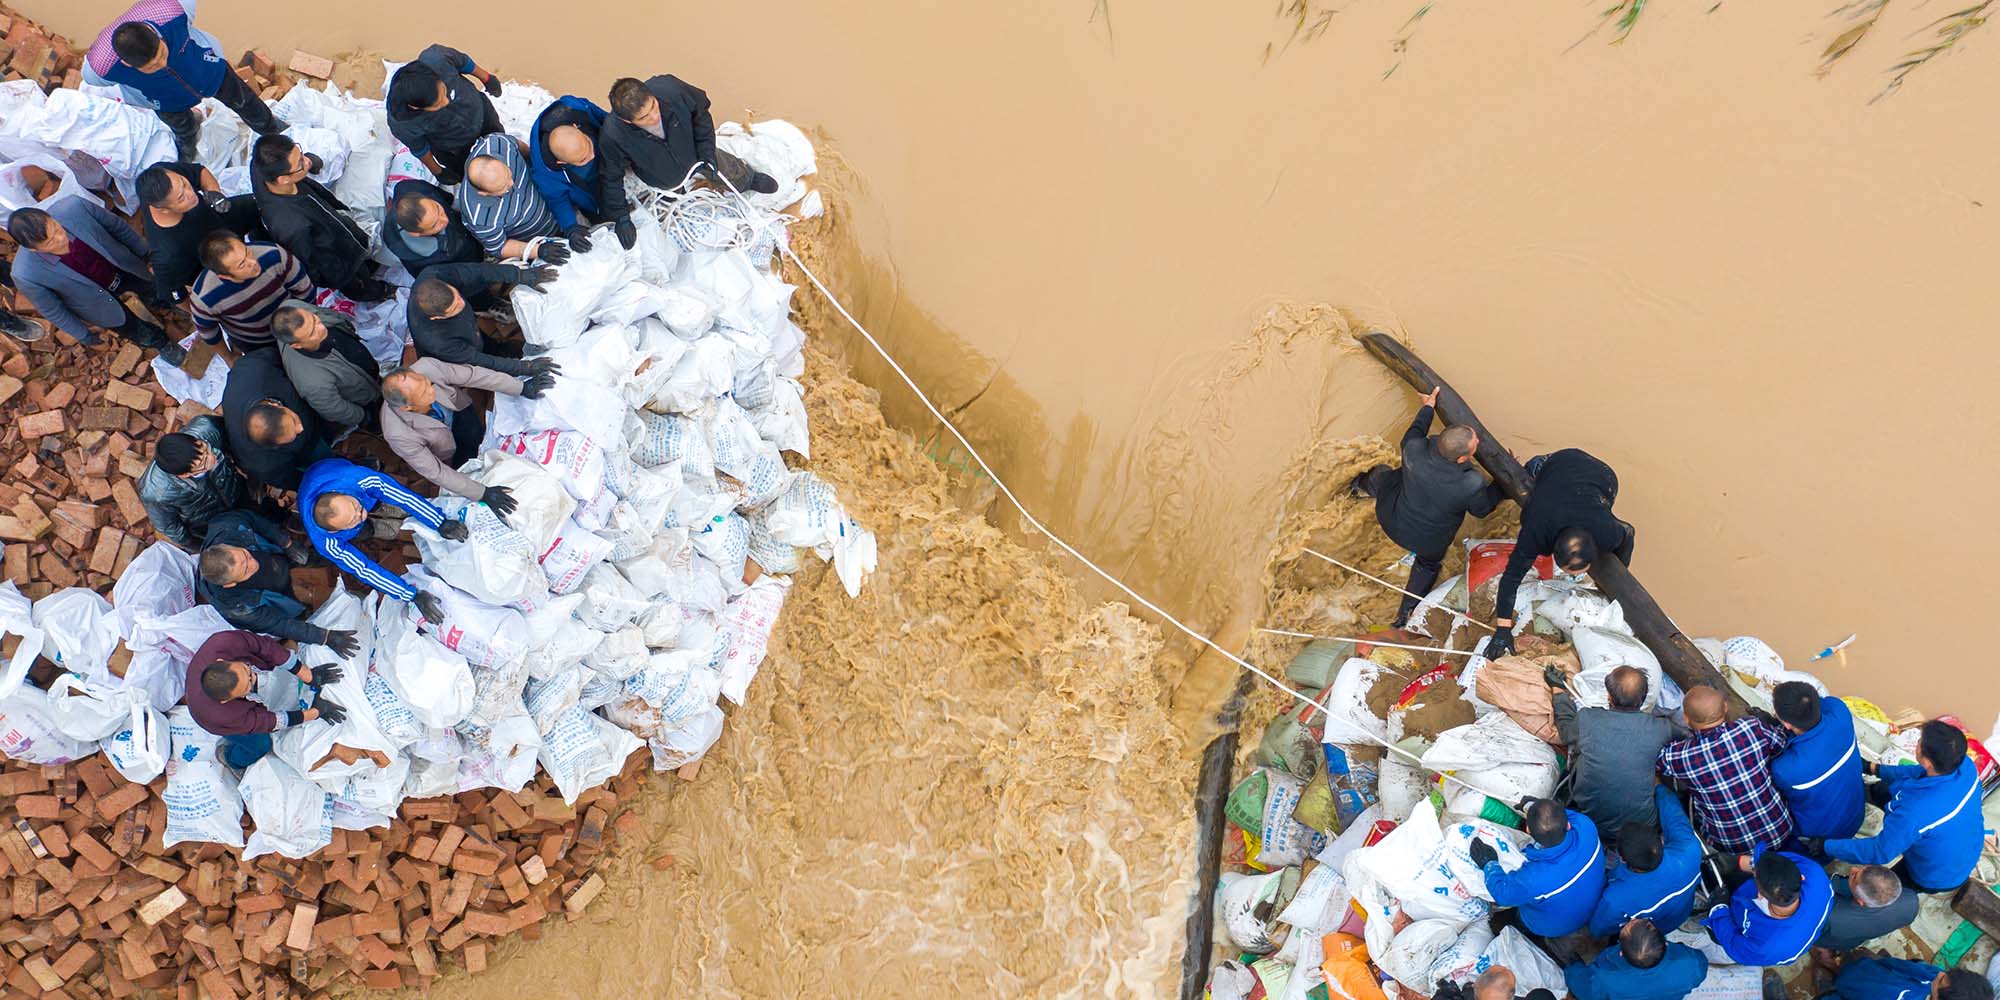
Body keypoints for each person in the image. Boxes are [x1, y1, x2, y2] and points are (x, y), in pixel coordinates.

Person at [1347, 388, 1504, 627]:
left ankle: (1355, 486)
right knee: (1428, 565)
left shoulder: (1413, 449)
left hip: (1390, 517)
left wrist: (1428, 407)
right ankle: (1405, 615)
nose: (1479, 442)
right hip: (1425, 543)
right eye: (1476, 443)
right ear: (1462, 459)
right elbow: (1482, 509)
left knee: (1382, 476)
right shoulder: (1470, 483)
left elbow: (1415, 431)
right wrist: (1501, 484)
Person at [82, 0, 287, 163]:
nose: (162, 65)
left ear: (156, 33)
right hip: (162, 97)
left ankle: (270, 128)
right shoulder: (100, 68)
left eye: (163, 53)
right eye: (151, 67)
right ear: (127, 64)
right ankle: (188, 140)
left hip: (205, 70)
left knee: (244, 102)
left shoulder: (173, 9)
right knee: (181, 126)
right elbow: (90, 78)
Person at [1480, 449, 1632, 660]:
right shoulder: (1536, 530)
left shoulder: (1606, 533)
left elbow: (1629, 532)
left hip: (1603, 477)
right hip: (1563, 461)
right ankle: (1535, 463)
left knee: (1597, 502)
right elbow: (1510, 579)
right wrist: (1503, 629)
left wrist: (1622, 569)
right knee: (1534, 469)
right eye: (1570, 572)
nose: (1570, 577)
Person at [600, 74, 779, 249]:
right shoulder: (613, 136)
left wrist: (706, 151)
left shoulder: (671, 89)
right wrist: (621, 218)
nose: (654, 117)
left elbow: (701, 112)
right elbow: (611, 178)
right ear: (626, 120)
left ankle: (748, 179)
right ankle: (676, 197)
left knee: (722, 165)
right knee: (671, 192)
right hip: (660, 174)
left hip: (693, 151)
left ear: (651, 94)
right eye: (644, 118)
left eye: (653, 106)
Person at [5, 203, 184, 363]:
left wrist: (145, 253)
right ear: (33, 249)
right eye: (50, 242)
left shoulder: (75, 207)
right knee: (132, 328)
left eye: (57, 229)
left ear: (50, 217)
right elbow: (53, 310)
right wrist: (83, 334)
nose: (60, 239)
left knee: (150, 288)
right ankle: (161, 343)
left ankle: (166, 303)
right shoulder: (26, 274)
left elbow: (118, 227)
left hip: (122, 267)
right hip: (95, 303)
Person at [1823, 720, 1984, 893]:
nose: (1917, 743)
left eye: (1920, 742)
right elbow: (1917, 772)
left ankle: (1846, 897)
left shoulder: (1914, 813)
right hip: (1961, 844)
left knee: (1877, 889)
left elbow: (1880, 851)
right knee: (1882, 789)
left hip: (1936, 873)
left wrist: (1826, 845)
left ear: (1928, 761)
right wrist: (1872, 768)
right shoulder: (1964, 766)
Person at [297, 458, 467, 616]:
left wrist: (440, 522)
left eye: (355, 505)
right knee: (374, 530)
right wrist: (411, 595)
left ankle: (380, 506)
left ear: (339, 492)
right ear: (336, 532)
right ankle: (376, 525)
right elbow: (363, 569)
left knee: (394, 504)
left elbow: (403, 496)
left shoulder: (357, 478)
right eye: (352, 519)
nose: (360, 514)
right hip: (322, 493)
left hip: (331, 468)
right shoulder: (326, 543)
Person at [380, 360, 548, 506]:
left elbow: (473, 375)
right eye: (423, 393)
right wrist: (483, 493)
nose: (431, 390)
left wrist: (520, 387)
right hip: (444, 447)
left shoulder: (427, 367)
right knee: (465, 464)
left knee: (475, 434)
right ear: (407, 407)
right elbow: (436, 471)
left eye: (427, 383)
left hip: (458, 412)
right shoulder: (397, 433)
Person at [195, 510, 360, 653]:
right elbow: (279, 624)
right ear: (229, 584)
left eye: (246, 556)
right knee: (305, 611)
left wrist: (286, 543)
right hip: (278, 595)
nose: (254, 564)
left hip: (278, 556)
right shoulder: (235, 607)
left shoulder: (229, 525)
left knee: (314, 558)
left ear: (228, 545)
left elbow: (256, 521)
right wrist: (325, 637)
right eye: (246, 571)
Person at [1656, 685, 1794, 855]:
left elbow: (1659, 762)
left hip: (1730, 846)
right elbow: (1780, 744)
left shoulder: (1679, 757)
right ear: (1726, 707)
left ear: (1686, 719)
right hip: (1780, 829)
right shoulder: (1752, 727)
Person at [251, 135, 390, 302]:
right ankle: (377, 292)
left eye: (300, 154)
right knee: (358, 282)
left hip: (335, 225)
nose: (306, 162)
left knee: (363, 254)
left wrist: (309, 161)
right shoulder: (292, 226)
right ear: (283, 179)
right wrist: (337, 276)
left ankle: (368, 263)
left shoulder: (262, 166)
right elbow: (311, 263)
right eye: (300, 163)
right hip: (338, 262)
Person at [1554, 665, 1686, 838]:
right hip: (1643, 828)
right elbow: (1686, 736)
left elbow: (1565, 731)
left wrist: (1558, 691)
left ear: (1609, 696)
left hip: (1591, 822)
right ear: (1644, 697)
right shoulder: (1660, 728)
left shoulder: (1588, 718)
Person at [185, 629, 345, 769]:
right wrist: (316, 712)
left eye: (246, 669)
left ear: (223, 661)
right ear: (227, 700)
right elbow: (272, 721)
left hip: (209, 685)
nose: (254, 676)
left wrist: (307, 674)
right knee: (261, 744)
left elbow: (264, 647)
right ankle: (229, 758)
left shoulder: (223, 642)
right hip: (208, 716)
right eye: (248, 685)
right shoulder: (223, 715)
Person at [1472, 799, 1606, 938]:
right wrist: (1532, 806)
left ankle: (1526, 932)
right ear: (1567, 825)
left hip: (1556, 926)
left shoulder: (1534, 877)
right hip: (1595, 902)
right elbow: (1562, 816)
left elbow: (1502, 894)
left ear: (1528, 830)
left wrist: (1489, 864)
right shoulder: (1586, 826)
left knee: (1521, 907)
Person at [136, 161, 264, 304]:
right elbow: (176, 296)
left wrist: (214, 193)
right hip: (215, 263)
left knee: (263, 205)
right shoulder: (167, 255)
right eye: (181, 198)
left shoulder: (163, 175)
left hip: (219, 215)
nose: (191, 194)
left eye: (184, 183)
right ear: (164, 209)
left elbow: (199, 172)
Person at [1588, 784, 1704, 938]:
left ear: (1622, 859)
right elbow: (1673, 813)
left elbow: (1598, 929)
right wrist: (1660, 788)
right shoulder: (1690, 849)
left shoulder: (1616, 899)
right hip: (1680, 914)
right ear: (1661, 842)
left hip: (1649, 934)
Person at [407, 262, 560, 377]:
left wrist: (519, 275)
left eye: (458, 297)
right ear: (436, 317)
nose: (461, 305)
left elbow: (478, 271)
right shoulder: (438, 342)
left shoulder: (434, 274)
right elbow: (477, 360)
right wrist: (524, 368)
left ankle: (497, 348)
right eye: (454, 309)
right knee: (480, 356)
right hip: (453, 359)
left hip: (467, 330)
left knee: (480, 337)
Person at [385, 44, 506, 185]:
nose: (447, 101)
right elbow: (420, 148)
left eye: (445, 91)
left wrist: (487, 78)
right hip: (455, 147)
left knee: (500, 144)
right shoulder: (403, 123)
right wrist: (438, 171)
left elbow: (464, 62)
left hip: (481, 112)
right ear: (416, 107)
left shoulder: (437, 59)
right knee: (475, 176)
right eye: (437, 104)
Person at [219, 350, 330, 491]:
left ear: (274, 404)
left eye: (294, 420)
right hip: (310, 448)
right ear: (274, 447)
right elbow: (297, 481)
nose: (300, 429)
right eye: (292, 438)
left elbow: (281, 355)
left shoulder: (253, 370)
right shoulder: (263, 464)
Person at [1770, 680, 1867, 841]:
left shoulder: (1786, 768)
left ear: (1786, 724)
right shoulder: (1839, 711)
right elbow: (1824, 703)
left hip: (1818, 839)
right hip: (1854, 818)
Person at [189, 230, 313, 354]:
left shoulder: (274, 254)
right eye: (242, 265)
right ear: (226, 276)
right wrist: (229, 358)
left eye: (247, 252)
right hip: (257, 344)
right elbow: (209, 334)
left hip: (295, 325)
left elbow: (304, 290)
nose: (253, 262)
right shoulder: (204, 298)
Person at [1703, 848, 1833, 966]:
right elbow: (1775, 863)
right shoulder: (1814, 875)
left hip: (1738, 927)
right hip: (1750, 902)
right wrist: (1736, 862)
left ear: (1760, 895)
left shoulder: (1766, 948)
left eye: (1755, 874)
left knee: (1717, 930)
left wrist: (1719, 907)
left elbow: (1731, 941)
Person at [137, 415, 249, 550]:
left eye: (205, 449)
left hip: (235, 488)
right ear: (184, 475)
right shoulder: (155, 494)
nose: (212, 458)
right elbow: (170, 527)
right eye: (202, 464)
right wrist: (201, 546)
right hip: (210, 520)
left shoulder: (207, 427)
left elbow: (236, 439)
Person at [271, 301, 383, 433]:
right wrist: (364, 417)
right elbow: (335, 409)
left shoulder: (291, 307)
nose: (321, 328)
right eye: (312, 333)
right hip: (366, 398)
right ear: (297, 346)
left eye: (314, 319)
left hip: (362, 365)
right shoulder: (312, 382)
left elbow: (325, 313)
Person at [455, 133, 568, 263]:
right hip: (537, 240)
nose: (511, 184)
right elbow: (499, 247)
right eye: (502, 188)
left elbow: (520, 146)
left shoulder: (498, 144)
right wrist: (538, 250)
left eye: (508, 174)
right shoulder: (480, 218)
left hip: (556, 209)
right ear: (484, 193)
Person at [530, 95, 610, 247]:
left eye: (588, 144)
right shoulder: (546, 175)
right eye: (583, 159)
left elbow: (604, 118)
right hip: (584, 183)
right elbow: (558, 200)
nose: (592, 156)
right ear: (562, 162)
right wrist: (571, 227)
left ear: (575, 127)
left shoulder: (575, 107)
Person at [1564, 918, 1707, 1000]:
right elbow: (1700, 963)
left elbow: (1579, 984)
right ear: (1664, 943)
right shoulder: (1691, 964)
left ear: (1620, 953)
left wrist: (1574, 966)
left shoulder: (1604, 980)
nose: (1633, 919)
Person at [380, 179, 485, 277]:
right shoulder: (430, 261)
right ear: (417, 234)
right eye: (435, 224)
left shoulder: (409, 187)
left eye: (437, 208)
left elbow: (444, 197)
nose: (445, 220)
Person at [1817, 865, 1920, 953]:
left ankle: (1824, 951)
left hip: (1833, 936)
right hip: (1855, 938)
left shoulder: (1832, 916)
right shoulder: (1911, 901)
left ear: (1860, 902)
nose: (1853, 869)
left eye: (1854, 877)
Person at [1832, 956, 1995, 1000]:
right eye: (1946, 974)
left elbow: (1856, 986)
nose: (1938, 974)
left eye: (1939, 982)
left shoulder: (1898, 995)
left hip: (1855, 984)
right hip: (1878, 971)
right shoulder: (1935, 976)